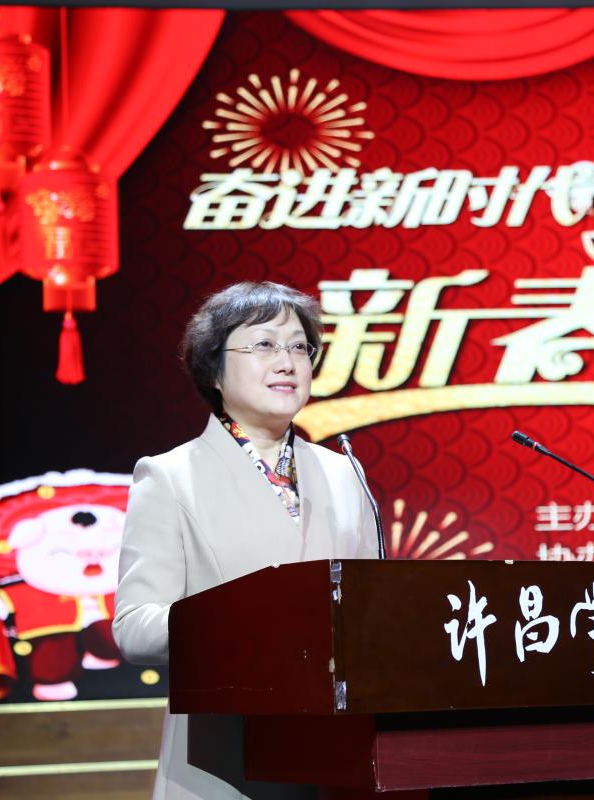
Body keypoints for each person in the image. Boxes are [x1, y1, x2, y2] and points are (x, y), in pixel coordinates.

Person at [112, 281, 379, 799]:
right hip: (223, 758)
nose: (287, 362)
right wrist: (247, 623)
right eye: (264, 345)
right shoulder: (169, 476)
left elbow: (371, 609)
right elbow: (135, 628)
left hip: (335, 758)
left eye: (299, 347)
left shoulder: (344, 473)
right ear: (214, 370)